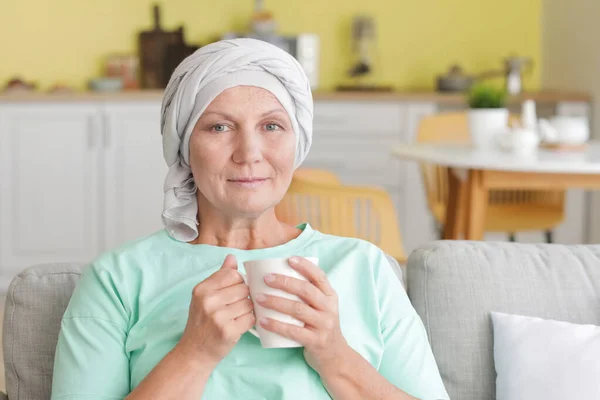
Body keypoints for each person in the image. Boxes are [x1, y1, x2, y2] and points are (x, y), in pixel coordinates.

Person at [51, 38, 449, 400]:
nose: (249, 153)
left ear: (297, 144)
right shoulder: (117, 280)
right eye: (219, 127)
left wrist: (335, 356)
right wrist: (193, 355)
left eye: (271, 126)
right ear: (185, 148)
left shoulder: (365, 267)